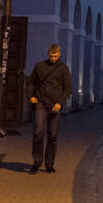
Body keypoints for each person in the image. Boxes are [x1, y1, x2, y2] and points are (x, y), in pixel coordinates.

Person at [27, 43, 71, 174]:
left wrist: (60, 102)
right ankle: (37, 161)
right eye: (51, 56)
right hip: (41, 101)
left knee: (52, 135)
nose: (53, 58)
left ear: (59, 54)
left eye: (55, 56)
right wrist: (30, 96)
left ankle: (49, 164)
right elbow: (31, 82)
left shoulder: (63, 69)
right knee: (38, 131)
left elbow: (68, 88)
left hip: (55, 104)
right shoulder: (39, 66)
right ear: (48, 54)